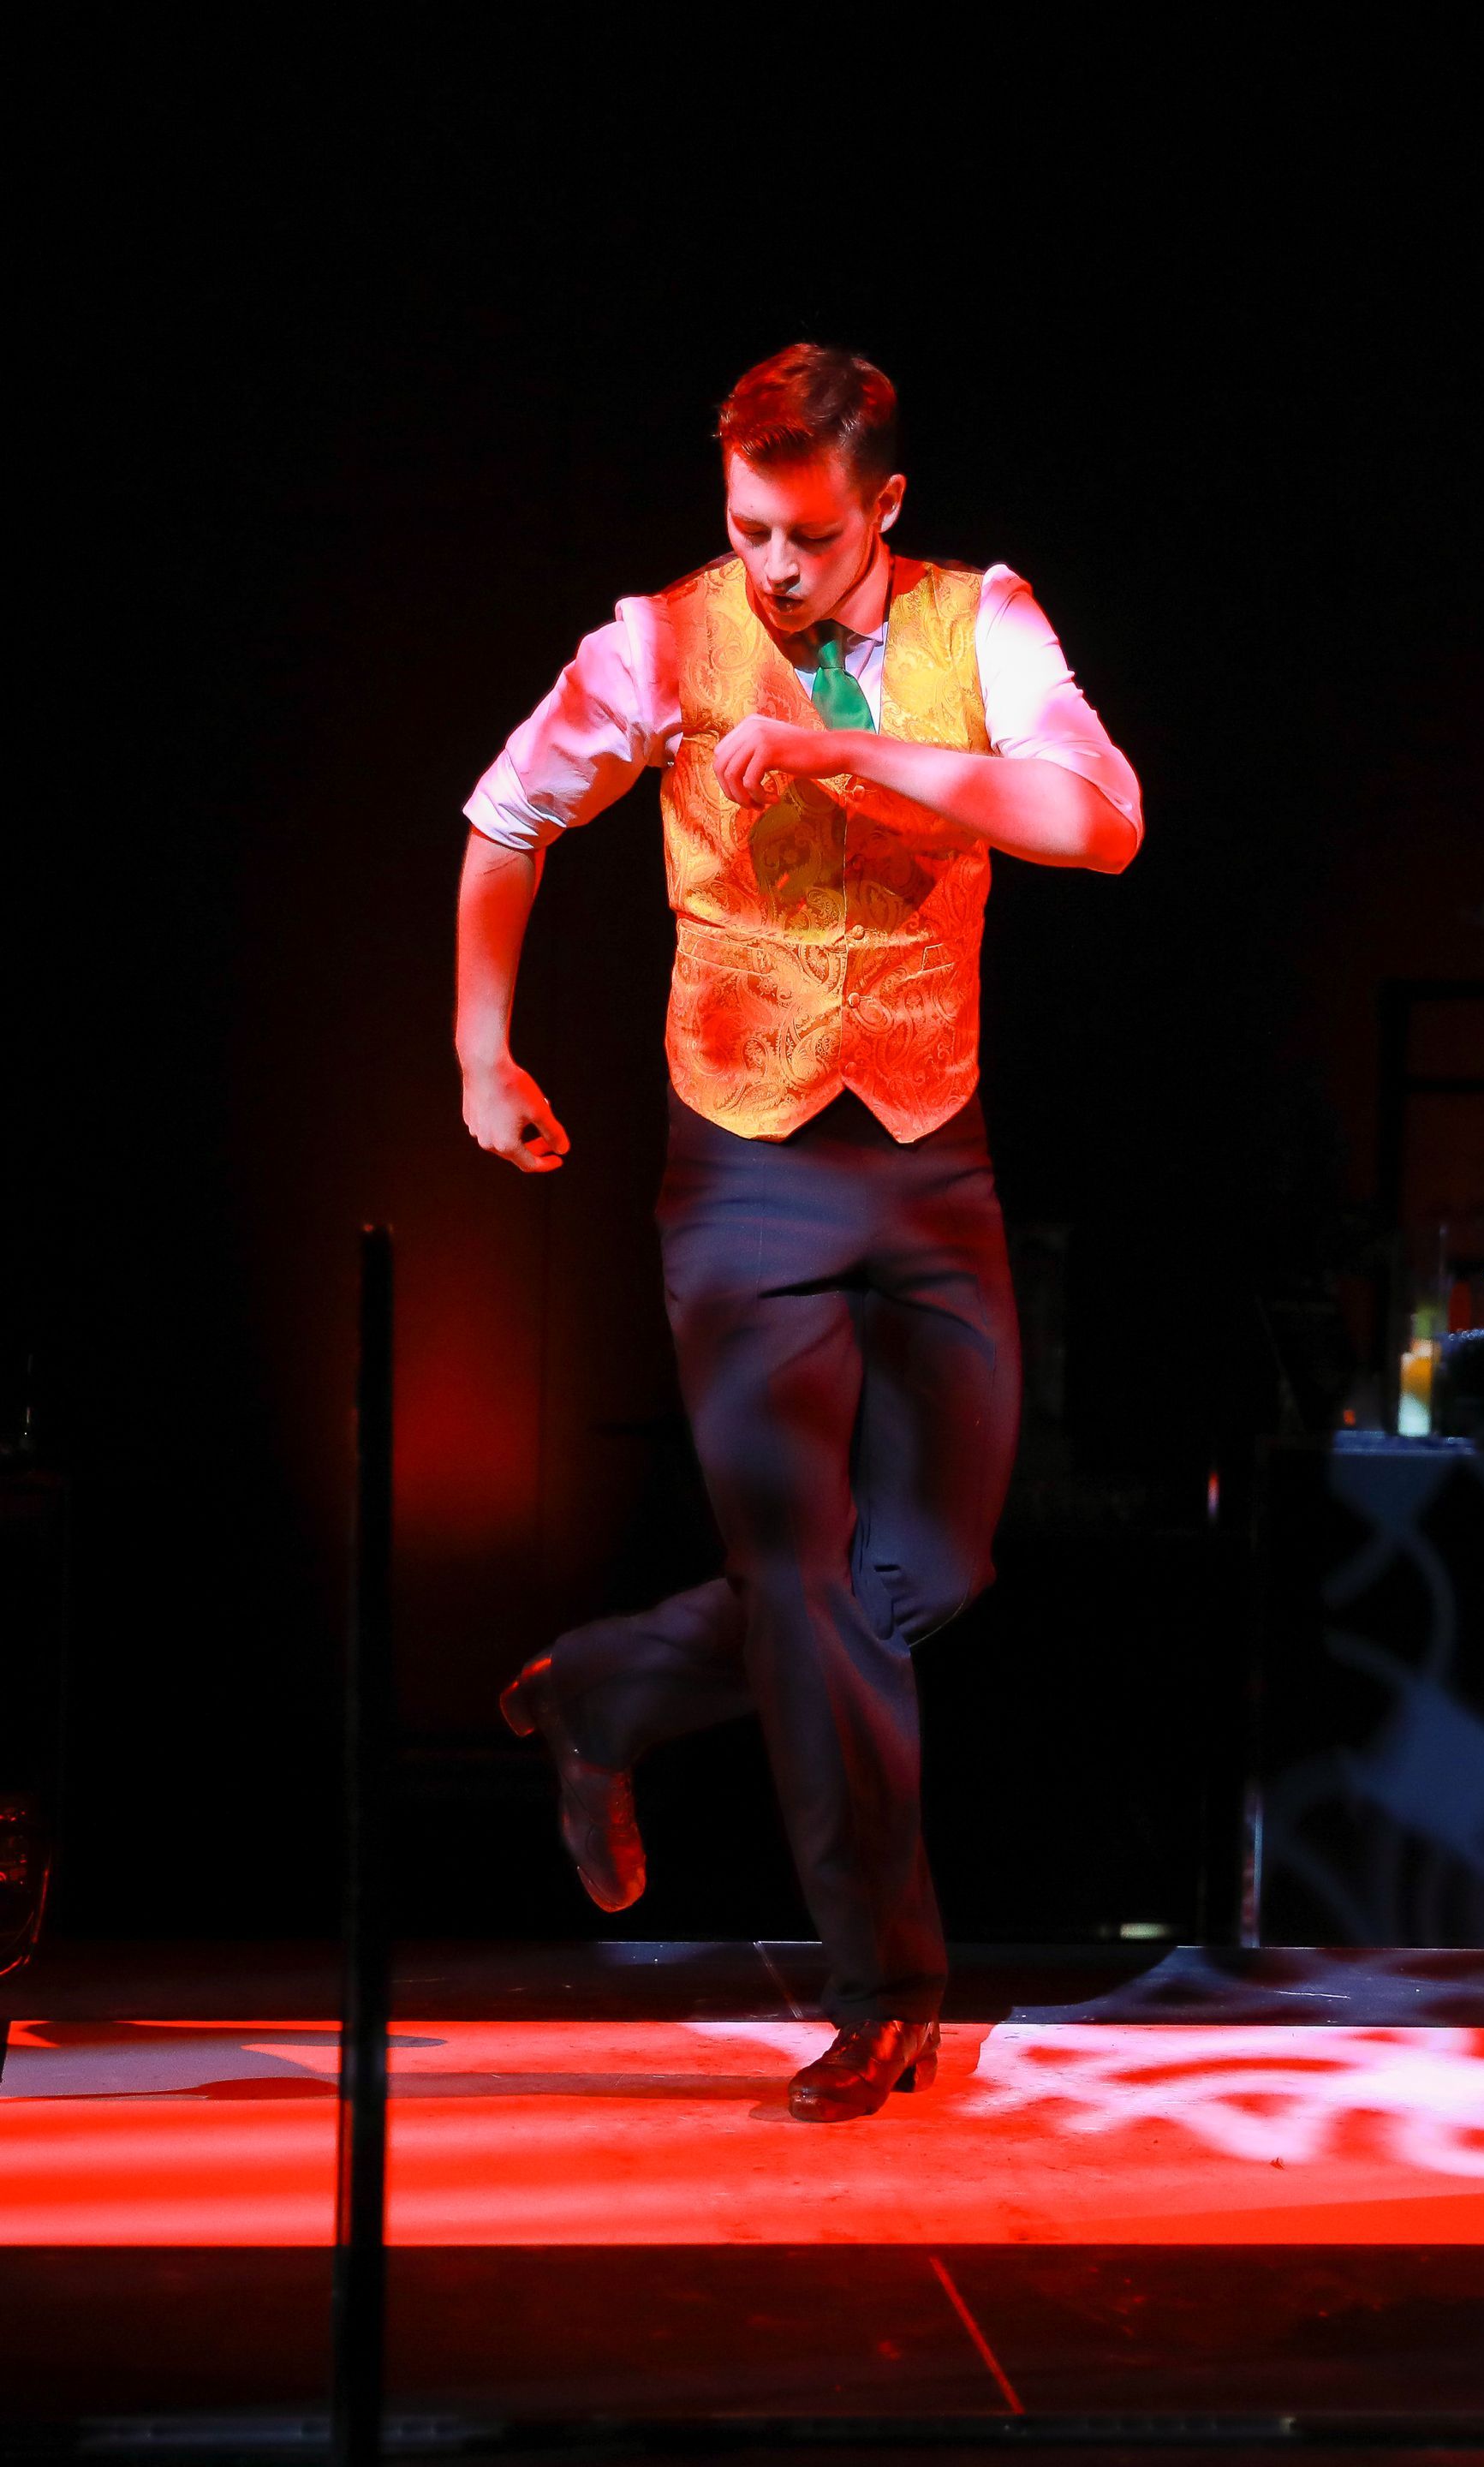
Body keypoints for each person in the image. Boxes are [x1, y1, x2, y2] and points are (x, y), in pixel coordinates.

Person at [456, 343, 1142, 2122]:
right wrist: (480, 1043)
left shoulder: (981, 625)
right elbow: (508, 815)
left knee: (932, 1566)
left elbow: (1099, 820)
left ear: (883, 509)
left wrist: (841, 749)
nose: (772, 566)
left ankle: (605, 1691)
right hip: (741, 1166)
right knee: (813, 1586)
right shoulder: (661, 638)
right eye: (750, 527)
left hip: (929, 1149)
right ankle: (884, 1989)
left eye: (810, 536)